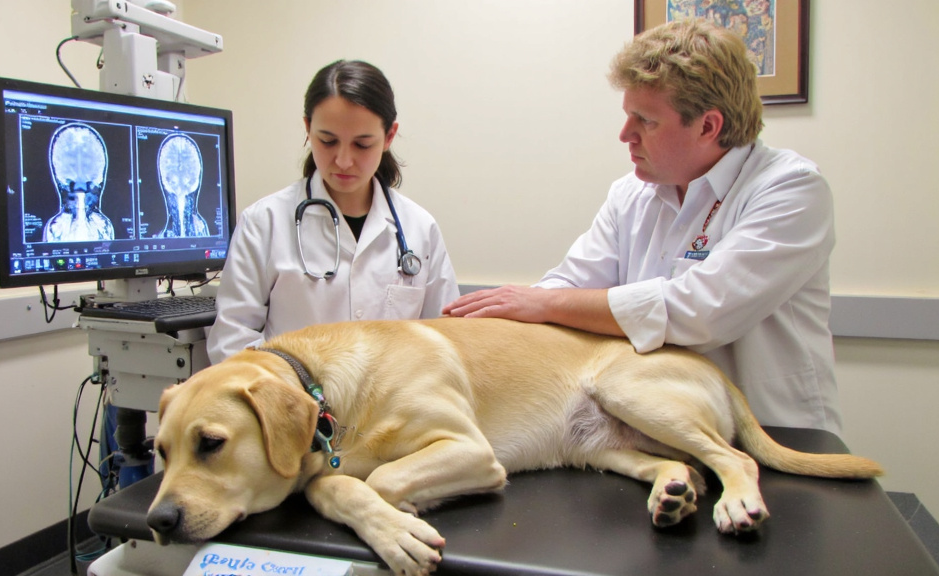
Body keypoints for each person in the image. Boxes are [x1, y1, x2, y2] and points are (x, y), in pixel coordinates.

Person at [443, 19, 842, 434]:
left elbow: (699, 312)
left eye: (645, 121)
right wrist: (492, 320)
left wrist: (543, 304)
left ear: (708, 126)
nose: (625, 135)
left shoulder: (790, 189)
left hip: (777, 432)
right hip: (662, 432)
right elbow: (571, 284)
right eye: (627, 115)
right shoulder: (631, 194)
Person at [209, 60, 459, 364]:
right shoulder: (264, 223)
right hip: (296, 404)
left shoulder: (419, 228)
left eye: (362, 145)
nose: (343, 160)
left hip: (393, 408)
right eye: (327, 141)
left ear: (389, 137)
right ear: (307, 128)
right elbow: (233, 341)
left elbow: (446, 339)